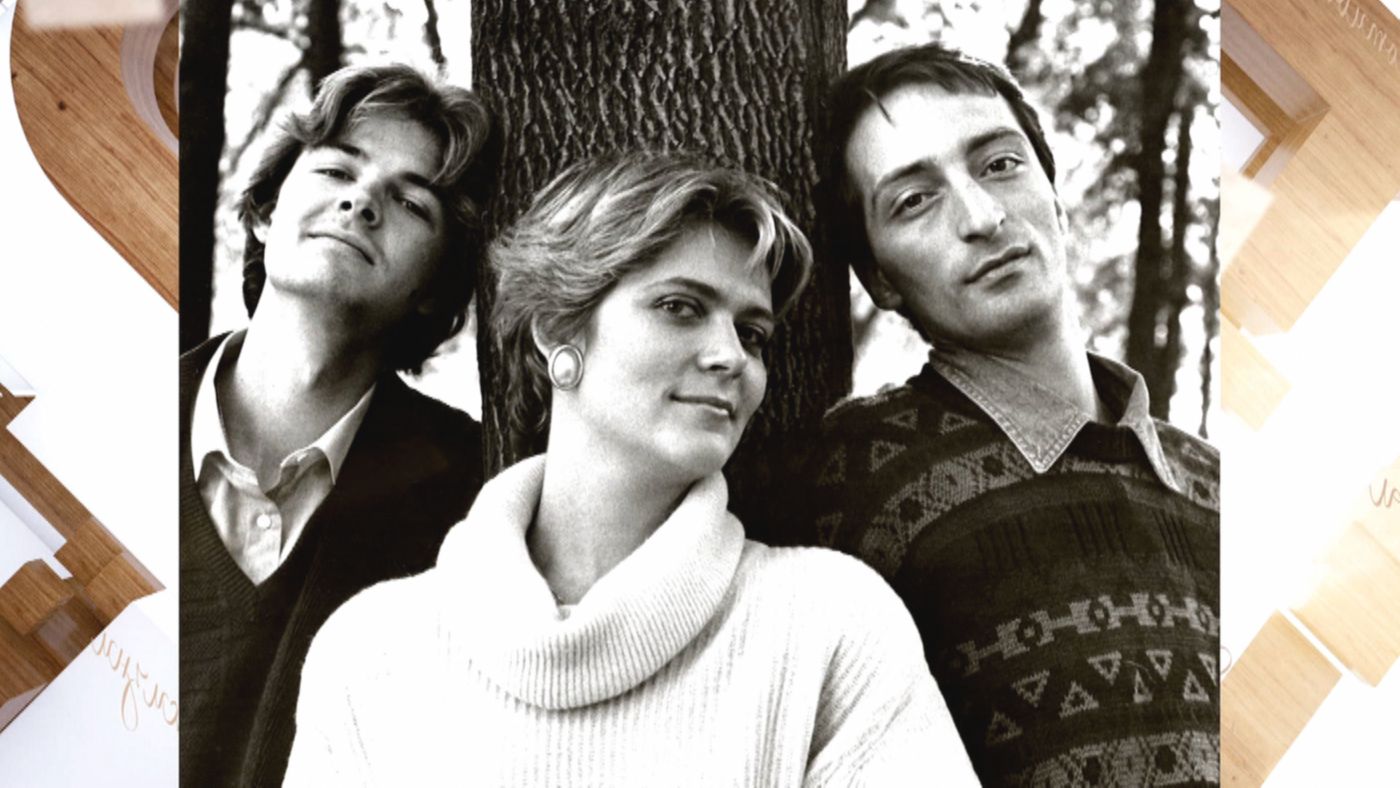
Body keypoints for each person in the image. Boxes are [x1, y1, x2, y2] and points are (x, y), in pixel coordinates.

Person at [284, 152, 978, 785]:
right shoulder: (370, 654)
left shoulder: (830, 627)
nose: (731, 357)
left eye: (752, 334)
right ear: (558, 328)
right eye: (680, 308)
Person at [777, 44, 1222, 785]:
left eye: (1000, 164)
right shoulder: (846, 487)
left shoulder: (1219, 485)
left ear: (1055, 195)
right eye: (914, 200)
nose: (982, 217)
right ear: (879, 278)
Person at [179, 63, 497, 787]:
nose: (362, 202)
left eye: (411, 202)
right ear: (266, 212)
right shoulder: (97, 424)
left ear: (435, 287)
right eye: (335, 170)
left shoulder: (474, 502)